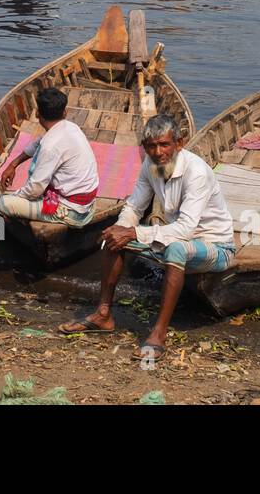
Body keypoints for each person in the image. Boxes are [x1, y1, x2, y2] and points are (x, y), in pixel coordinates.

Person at [57, 113, 235, 362]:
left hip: (215, 247)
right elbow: (134, 207)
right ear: (145, 147)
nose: (158, 151)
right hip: (176, 237)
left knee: (176, 250)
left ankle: (159, 333)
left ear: (179, 144)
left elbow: (185, 228)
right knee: (112, 237)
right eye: (151, 146)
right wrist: (120, 229)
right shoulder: (150, 166)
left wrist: (134, 232)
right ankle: (103, 314)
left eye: (164, 144)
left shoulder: (196, 172)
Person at [0, 88, 99, 228]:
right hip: (86, 201)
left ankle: (11, 229)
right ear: (64, 113)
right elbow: (38, 143)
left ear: (37, 114)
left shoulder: (50, 147)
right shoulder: (70, 126)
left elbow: (35, 188)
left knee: (4, 203)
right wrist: (13, 164)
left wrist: (14, 197)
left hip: (73, 211)